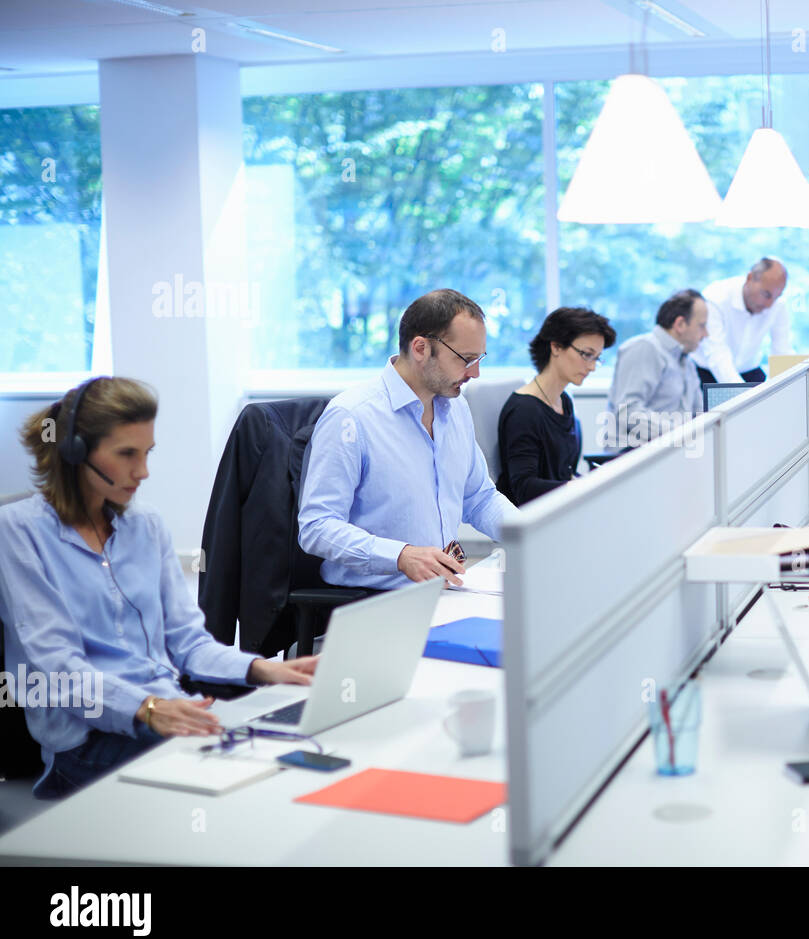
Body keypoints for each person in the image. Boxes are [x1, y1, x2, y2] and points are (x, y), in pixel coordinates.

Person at [0, 377, 316, 799]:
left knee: (286, 753)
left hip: (170, 712)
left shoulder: (144, 525)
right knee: (248, 785)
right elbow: (56, 671)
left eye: (146, 453)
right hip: (85, 743)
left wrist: (261, 669)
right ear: (74, 451)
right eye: (126, 454)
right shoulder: (19, 532)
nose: (143, 472)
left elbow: (187, 642)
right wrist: (147, 709)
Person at [298, 288, 520, 589]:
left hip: (441, 592)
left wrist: (527, 534)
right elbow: (316, 527)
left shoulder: (455, 409)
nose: (476, 373)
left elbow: (479, 497)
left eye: (479, 359)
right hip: (374, 601)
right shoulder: (351, 417)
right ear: (420, 349)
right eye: (466, 359)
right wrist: (400, 556)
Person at [497, 307, 616, 506]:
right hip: (538, 522)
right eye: (587, 355)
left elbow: (564, 473)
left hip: (561, 510)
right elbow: (524, 488)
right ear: (556, 347)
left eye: (597, 358)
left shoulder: (564, 401)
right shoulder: (524, 411)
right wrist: (580, 486)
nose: (592, 367)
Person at [605, 289, 709, 448]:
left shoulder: (686, 362)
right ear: (680, 324)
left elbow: (699, 414)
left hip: (673, 453)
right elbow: (628, 412)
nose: (706, 334)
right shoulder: (644, 348)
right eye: (701, 326)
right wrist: (681, 434)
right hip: (635, 457)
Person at [694, 257, 793, 384]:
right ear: (750, 278)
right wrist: (742, 394)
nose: (769, 304)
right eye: (766, 294)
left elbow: (782, 351)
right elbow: (717, 355)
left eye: (777, 296)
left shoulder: (777, 304)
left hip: (749, 369)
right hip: (707, 371)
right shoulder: (716, 298)